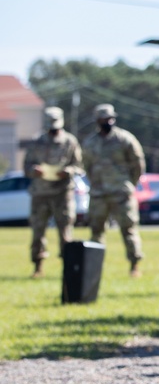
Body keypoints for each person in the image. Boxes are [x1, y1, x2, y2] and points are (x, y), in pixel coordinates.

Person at [82, 103, 145, 277]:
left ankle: (134, 264)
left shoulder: (125, 139)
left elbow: (137, 164)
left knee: (129, 229)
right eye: (104, 119)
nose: (108, 122)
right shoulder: (90, 143)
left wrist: (129, 184)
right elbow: (87, 166)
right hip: (98, 194)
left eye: (110, 119)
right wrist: (95, 183)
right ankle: (94, 267)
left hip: (121, 193)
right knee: (96, 231)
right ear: (97, 121)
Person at [24, 106, 82, 278]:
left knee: (65, 232)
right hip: (40, 193)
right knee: (38, 231)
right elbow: (26, 167)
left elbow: (79, 166)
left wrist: (68, 172)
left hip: (62, 193)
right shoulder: (36, 142)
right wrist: (34, 170)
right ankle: (38, 266)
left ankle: (68, 268)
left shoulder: (70, 141)